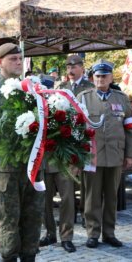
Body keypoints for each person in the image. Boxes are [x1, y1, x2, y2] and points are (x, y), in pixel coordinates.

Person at [0, 43, 45, 262]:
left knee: (33, 217)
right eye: (12, 59)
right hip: (5, 168)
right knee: (8, 219)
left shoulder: (30, 87)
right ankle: (9, 257)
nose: (17, 62)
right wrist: (22, 133)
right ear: (0, 62)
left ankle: (29, 256)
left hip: (32, 165)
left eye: (18, 58)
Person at [77, 59, 132, 248]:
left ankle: (109, 233)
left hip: (115, 155)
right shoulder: (83, 97)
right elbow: (76, 128)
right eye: (97, 76)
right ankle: (93, 232)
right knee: (92, 196)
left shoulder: (121, 98)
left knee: (112, 197)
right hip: (92, 156)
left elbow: (129, 128)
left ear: (111, 77)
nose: (100, 79)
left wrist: (130, 154)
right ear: (93, 78)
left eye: (104, 76)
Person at [39, 55, 93, 252]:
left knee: (67, 199)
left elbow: (80, 128)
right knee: (44, 200)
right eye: (68, 66)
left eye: (74, 65)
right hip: (43, 161)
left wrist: (77, 160)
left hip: (65, 159)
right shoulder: (43, 100)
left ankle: (66, 236)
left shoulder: (73, 95)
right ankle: (50, 233)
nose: (70, 69)